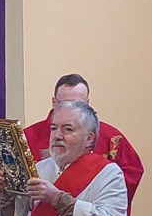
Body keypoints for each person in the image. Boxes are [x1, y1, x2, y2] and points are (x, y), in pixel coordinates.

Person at [23, 73, 143, 204]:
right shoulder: (27, 138)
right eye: (65, 104)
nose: (58, 135)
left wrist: (94, 188)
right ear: (54, 102)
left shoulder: (111, 138)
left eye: (79, 104)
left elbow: (130, 176)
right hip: (42, 213)